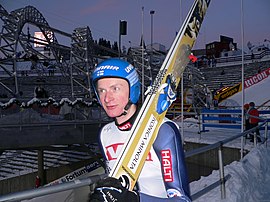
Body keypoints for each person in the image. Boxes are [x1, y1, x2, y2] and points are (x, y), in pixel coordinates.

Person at [89, 58, 191, 201]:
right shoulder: (105, 134)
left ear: (133, 90)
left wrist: (135, 199)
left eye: (115, 88)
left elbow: (182, 199)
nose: (107, 98)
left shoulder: (162, 130)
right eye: (102, 90)